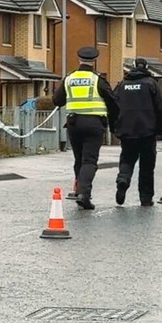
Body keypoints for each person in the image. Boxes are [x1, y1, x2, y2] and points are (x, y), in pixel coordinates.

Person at [53, 47, 116, 210]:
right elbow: (112, 101)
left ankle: (78, 188)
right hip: (94, 124)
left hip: (74, 124)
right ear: (94, 61)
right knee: (89, 160)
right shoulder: (98, 79)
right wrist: (114, 121)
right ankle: (84, 194)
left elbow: (57, 101)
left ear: (79, 60)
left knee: (79, 159)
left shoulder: (69, 78)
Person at [111, 58, 162, 206]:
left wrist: (114, 127)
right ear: (146, 68)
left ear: (133, 67)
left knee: (127, 159)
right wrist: (160, 130)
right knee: (147, 165)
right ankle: (145, 197)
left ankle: (123, 179)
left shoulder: (122, 85)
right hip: (147, 132)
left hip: (126, 131)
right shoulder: (151, 84)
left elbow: (112, 106)